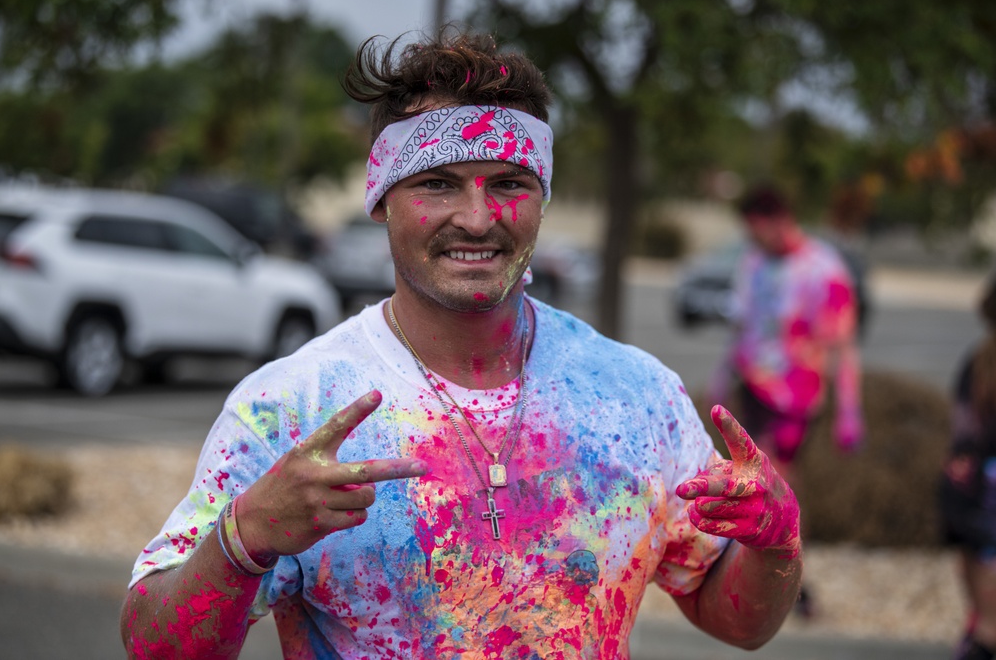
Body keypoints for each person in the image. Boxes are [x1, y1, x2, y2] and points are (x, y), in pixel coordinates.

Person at [120, 32, 802, 659]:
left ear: (541, 197)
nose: (477, 219)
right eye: (438, 183)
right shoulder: (294, 407)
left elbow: (736, 620)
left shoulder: (637, 396)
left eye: (508, 183)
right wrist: (243, 540)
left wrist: (775, 541)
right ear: (382, 197)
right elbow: (155, 645)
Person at [707, 185, 863, 617]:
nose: (753, 240)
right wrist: (721, 377)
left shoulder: (822, 269)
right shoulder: (753, 262)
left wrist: (849, 412)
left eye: (757, 231)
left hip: (796, 395)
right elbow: (741, 327)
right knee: (749, 482)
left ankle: (789, 578)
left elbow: (842, 346)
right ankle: (757, 574)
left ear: (778, 221)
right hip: (753, 387)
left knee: (777, 483)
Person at [939, 276, 996, 660]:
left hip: (978, 475)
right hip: (982, 477)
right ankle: (985, 629)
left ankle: (985, 628)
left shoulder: (981, 358)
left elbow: (963, 425)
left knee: (977, 553)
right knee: (979, 552)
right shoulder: (982, 360)